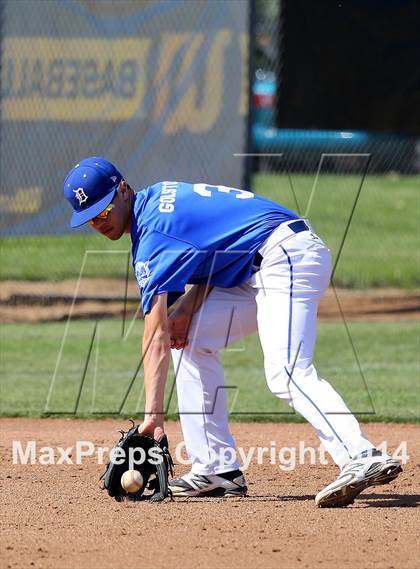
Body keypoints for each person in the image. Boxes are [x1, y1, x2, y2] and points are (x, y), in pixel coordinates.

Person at [63, 156, 402, 507]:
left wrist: (153, 418)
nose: (99, 222)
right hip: (262, 262)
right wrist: (190, 309)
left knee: (285, 371)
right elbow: (220, 252)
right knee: (190, 339)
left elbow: (155, 337)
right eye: (91, 219)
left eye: (103, 211)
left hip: (285, 256)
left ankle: (361, 454)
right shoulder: (159, 202)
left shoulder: (153, 235)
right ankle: (217, 471)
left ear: (122, 189)